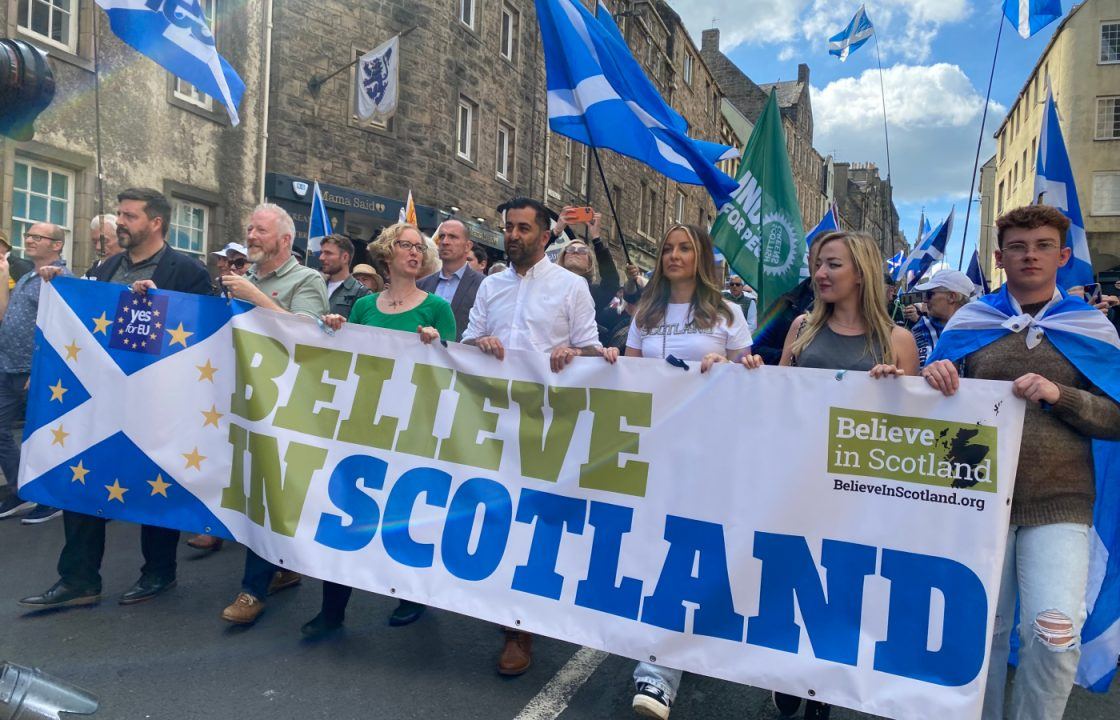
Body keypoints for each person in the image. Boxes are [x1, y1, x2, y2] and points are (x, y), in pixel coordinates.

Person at [923, 205, 1120, 720]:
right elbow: (929, 408)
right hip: (976, 498)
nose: (1029, 255)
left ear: (1063, 254)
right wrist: (937, 376)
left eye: (1041, 245)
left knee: (1055, 637)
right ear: (1000, 256)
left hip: (1060, 500)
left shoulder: (1092, 328)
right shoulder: (970, 321)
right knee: (981, 636)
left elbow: (1117, 418)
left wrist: (1063, 396)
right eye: (1018, 246)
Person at [19, 188, 212, 610]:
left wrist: (159, 302)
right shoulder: (106, 267)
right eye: (120, 214)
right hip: (104, 398)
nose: (119, 222)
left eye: (129, 215)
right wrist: (61, 287)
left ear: (156, 222)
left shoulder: (188, 271)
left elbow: (201, 337)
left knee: (153, 485)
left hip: (159, 400)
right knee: (82, 478)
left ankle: (159, 572)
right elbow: (89, 325)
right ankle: (79, 578)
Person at [766, 230, 918, 720]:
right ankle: (789, 672)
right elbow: (775, 400)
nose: (821, 274)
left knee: (843, 588)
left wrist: (897, 390)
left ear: (862, 272)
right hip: (797, 480)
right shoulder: (801, 327)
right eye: (817, 264)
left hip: (857, 493)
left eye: (833, 264)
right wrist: (753, 370)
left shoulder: (897, 341)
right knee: (792, 581)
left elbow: (910, 429)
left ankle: (823, 693)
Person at [463, 197, 617, 675]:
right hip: (493, 417)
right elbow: (467, 341)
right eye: (508, 227)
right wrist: (479, 343)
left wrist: (577, 352)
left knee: (536, 515)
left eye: (523, 228)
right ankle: (507, 609)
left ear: (545, 236)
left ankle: (521, 627)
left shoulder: (571, 287)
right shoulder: (490, 285)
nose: (512, 235)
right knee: (495, 508)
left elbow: (589, 347)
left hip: (547, 420)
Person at [625, 224, 761, 720]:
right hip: (653, 450)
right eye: (667, 248)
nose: (674, 255)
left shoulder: (729, 313)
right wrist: (617, 358)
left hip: (709, 453)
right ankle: (662, 648)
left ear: (702, 257)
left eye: (685, 248)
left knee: (683, 547)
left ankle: (658, 672)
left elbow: (749, 376)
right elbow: (630, 382)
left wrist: (729, 366)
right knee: (649, 546)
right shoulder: (645, 313)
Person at [304, 223, 456, 639]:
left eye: (420, 247)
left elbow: (455, 370)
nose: (415, 252)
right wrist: (335, 328)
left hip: (412, 426)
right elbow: (349, 357)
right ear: (387, 253)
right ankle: (332, 609)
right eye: (406, 245)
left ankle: (411, 594)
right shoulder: (365, 306)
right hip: (364, 421)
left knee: (405, 510)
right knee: (348, 510)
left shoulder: (436, 308)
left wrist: (437, 343)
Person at [217, 203, 329, 626]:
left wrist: (257, 299)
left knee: (266, 489)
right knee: (252, 487)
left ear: (285, 240)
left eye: (260, 230)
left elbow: (307, 336)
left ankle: (252, 590)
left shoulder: (307, 279)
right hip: (244, 398)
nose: (251, 235)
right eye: (249, 228)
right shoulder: (243, 279)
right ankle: (284, 564)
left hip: (285, 404)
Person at [0, 223, 69, 524]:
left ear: (56, 245)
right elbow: (6, 314)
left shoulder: (59, 277)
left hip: (35, 370)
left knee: (41, 437)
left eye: (36, 237)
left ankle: (51, 497)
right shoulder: (28, 275)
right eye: (27, 235)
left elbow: (62, 327)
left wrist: (43, 367)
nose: (28, 239)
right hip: (8, 366)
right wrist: (3, 277)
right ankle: (20, 489)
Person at [553, 207, 624, 342]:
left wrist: (596, 238)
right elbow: (531, 261)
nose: (575, 251)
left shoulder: (593, 292)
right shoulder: (550, 284)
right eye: (570, 249)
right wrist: (556, 231)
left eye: (582, 250)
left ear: (589, 264)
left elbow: (611, 281)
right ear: (562, 257)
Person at [417, 219, 483, 341]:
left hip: (459, 357)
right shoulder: (421, 285)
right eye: (442, 236)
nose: (445, 242)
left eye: (453, 237)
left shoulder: (483, 285)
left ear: (467, 246)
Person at [909, 268, 974, 368]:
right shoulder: (918, 330)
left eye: (930, 294)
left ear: (952, 297)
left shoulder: (976, 332)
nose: (925, 300)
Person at [319, 234, 370, 319]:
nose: (321, 257)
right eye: (321, 253)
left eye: (328, 253)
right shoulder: (316, 284)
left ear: (345, 257)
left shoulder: (361, 293)